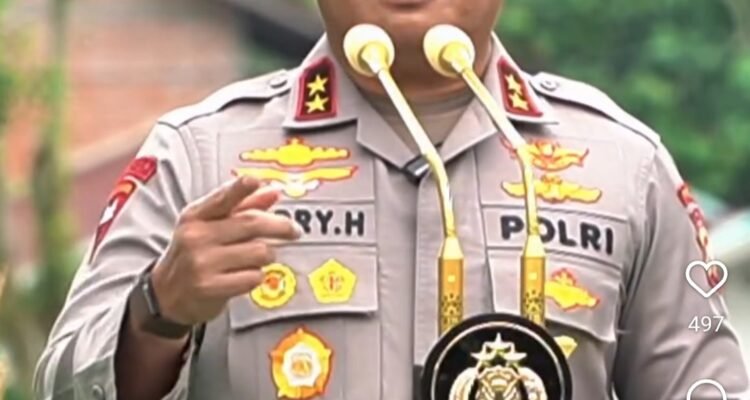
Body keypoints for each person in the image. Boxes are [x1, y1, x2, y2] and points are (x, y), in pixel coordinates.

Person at [34, 0, 750, 399]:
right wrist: (157, 311)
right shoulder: (200, 156)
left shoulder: (624, 165)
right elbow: (62, 387)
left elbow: (707, 388)